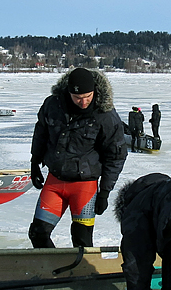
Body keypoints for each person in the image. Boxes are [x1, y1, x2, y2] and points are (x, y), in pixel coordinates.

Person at [29, 67, 127, 248]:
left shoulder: (105, 115)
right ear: (68, 93)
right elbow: (41, 133)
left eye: (88, 96)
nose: (83, 102)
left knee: (81, 240)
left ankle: (82, 273)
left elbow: (116, 156)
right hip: (55, 181)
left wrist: (104, 192)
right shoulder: (53, 105)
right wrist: (35, 162)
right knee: (37, 233)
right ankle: (53, 272)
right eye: (78, 98)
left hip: (85, 187)